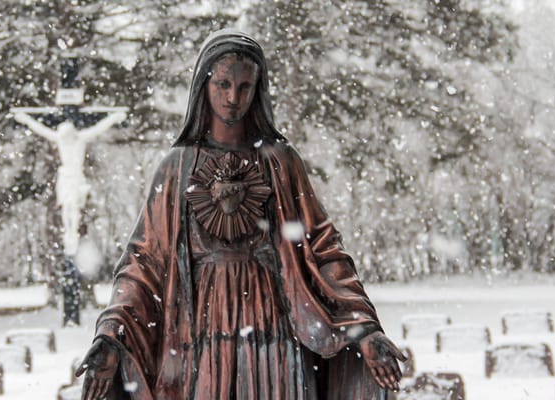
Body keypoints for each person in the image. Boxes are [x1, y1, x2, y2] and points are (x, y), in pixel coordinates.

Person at [75, 29, 406, 400]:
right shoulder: (177, 168)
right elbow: (144, 262)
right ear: (204, 84)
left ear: (258, 89)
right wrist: (112, 331)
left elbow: (323, 249)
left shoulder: (280, 163)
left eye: (245, 87)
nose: (233, 97)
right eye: (223, 84)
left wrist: (362, 325)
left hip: (275, 328)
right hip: (200, 334)